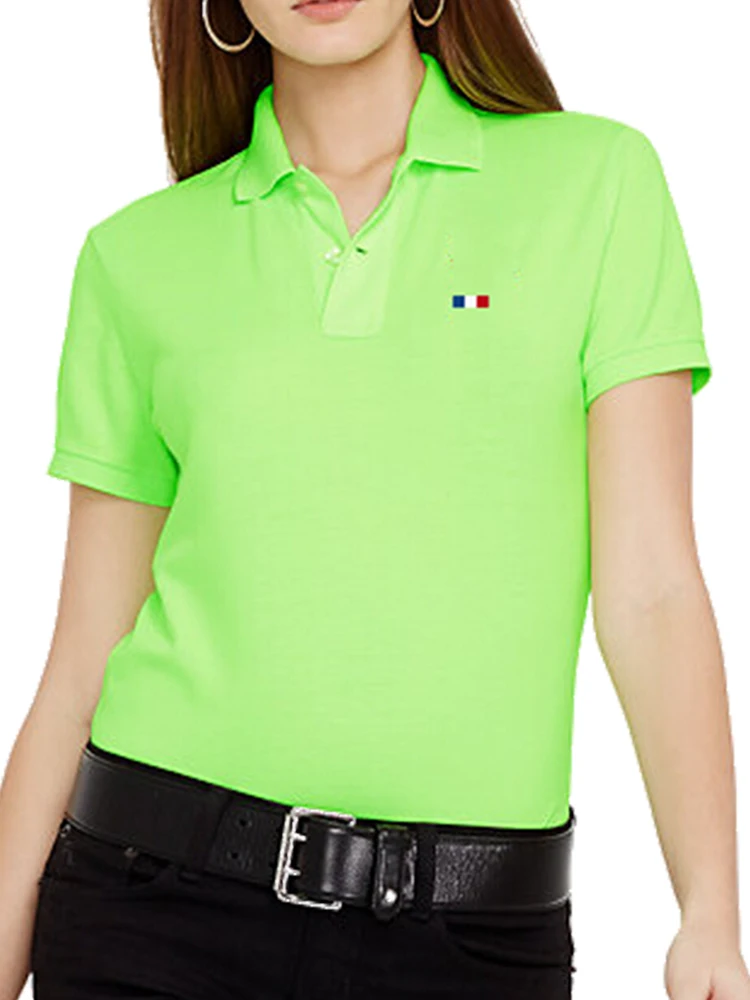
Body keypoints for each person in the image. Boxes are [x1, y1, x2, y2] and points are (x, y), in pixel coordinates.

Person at [0, 0, 747, 997]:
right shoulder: (135, 257)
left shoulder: (598, 185)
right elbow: (81, 660)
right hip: (151, 910)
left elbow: (652, 586)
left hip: (471, 939)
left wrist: (710, 910)